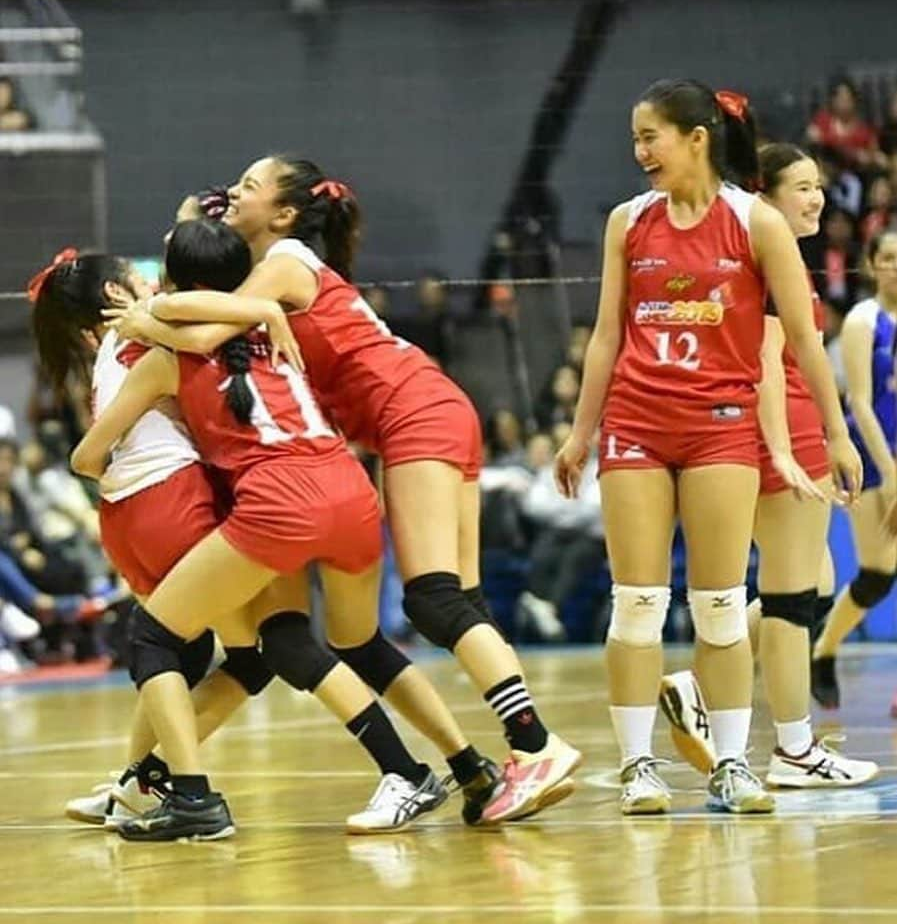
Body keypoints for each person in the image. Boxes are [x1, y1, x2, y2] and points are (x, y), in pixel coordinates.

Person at [107, 157, 581, 823]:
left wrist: (143, 319)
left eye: (248, 186)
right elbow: (208, 288)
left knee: (436, 599)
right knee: (440, 608)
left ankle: (534, 744)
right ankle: (471, 767)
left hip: (408, 411)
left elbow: (206, 331)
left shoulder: (284, 260)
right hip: (414, 415)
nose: (233, 192)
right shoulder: (265, 272)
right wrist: (187, 242)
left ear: (284, 214)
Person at [38, 225, 455, 841]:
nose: (150, 278)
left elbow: (88, 457)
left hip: (124, 517)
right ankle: (198, 792)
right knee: (253, 647)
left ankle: (139, 783)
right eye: (137, 271)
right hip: (189, 500)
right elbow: (190, 311)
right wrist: (260, 302)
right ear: (114, 291)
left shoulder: (121, 348)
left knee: (224, 657)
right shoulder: (170, 336)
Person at [554, 80, 861, 816]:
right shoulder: (627, 222)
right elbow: (604, 335)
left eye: (650, 135)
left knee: (720, 608)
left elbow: (802, 340)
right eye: (634, 137)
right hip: (636, 420)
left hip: (720, 423)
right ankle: (638, 768)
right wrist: (579, 429)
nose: (639, 151)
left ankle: (730, 764)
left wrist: (835, 430)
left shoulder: (755, 222)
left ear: (696, 138)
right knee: (635, 605)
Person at [660, 143, 876, 788]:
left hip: (784, 438)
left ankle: (705, 688)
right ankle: (792, 747)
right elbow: (765, 370)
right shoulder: (765, 258)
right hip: (781, 441)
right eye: (802, 187)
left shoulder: (776, 259)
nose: (816, 199)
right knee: (793, 596)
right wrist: (785, 451)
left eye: (819, 187)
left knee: (811, 582)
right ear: (766, 196)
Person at [812, 230, 897, 709]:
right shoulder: (865, 322)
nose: (896, 266)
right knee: (878, 574)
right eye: (887, 258)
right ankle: (822, 651)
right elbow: (860, 403)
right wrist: (892, 474)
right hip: (871, 456)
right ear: (872, 265)